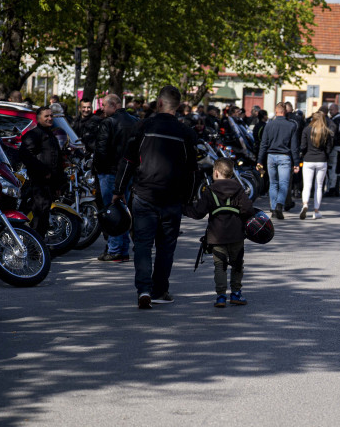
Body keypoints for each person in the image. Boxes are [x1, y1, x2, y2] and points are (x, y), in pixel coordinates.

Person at [113, 85, 198, 309]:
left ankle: (143, 289)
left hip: (144, 194)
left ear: (159, 103)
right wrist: (187, 200)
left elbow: (128, 161)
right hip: (172, 198)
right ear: (178, 106)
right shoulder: (185, 133)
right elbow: (192, 171)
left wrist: (118, 190)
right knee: (166, 247)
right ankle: (160, 289)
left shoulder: (143, 126)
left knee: (142, 245)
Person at [186, 157, 256, 308]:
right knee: (237, 265)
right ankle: (236, 294)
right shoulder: (238, 189)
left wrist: (183, 208)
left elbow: (198, 213)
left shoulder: (210, 190)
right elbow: (248, 210)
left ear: (216, 173)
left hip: (216, 236)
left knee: (220, 266)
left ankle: (221, 297)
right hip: (237, 234)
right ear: (230, 174)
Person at [94, 93, 138, 262]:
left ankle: (115, 249)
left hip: (111, 173)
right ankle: (123, 249)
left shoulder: (108, 123)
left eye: (104, 106)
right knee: (124, 211)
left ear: (113, 105)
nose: (102, 109)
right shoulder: (134, 121)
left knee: (112, 212)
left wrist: (99, 170)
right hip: (128, 172)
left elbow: (101, 150)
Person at [18, 106, 62, 241]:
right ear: (38, 118)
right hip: (38, 184)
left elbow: (57, 160)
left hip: (49, 185)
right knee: (38, 216)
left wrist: (58, 184)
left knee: (44, 217)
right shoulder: (34, 135)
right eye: (46, 116)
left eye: (51, 116)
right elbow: (26, 155)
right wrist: (43, 171)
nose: (49, 118)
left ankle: (40, 245)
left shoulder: (51, 135)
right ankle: (36, 247)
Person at [256, 103, 300, 219]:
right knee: (284, 183)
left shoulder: (269, 125)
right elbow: (294, 146)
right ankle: (279, 205)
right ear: (285, 111)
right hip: (285, 156)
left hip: (271, 156)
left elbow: (263, 144)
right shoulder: (291, 125)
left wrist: (259, 160)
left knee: (273, 183)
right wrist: (296, 163)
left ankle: (273, 208)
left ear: (276, 111)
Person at [299, 110, 333, 220]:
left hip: (308, 159)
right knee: (318, 186)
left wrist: (304, 155)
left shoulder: (306, 130)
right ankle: (316, 211)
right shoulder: (326, 131)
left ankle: (305, 204)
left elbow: (303, 147)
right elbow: (329, 149)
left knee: (307, 185)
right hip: (321, 160)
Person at [326, 103, 340, 197]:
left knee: (333, 168)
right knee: (337, 168)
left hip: (336, 147)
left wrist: (329, 147)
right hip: (339, 147)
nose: (330, 111)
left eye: (332, 110)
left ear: (336, 110)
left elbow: (335, 135)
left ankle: (332, 189)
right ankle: (335, 189)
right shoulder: (339, 119)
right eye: (329, 110)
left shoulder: (336, 121)